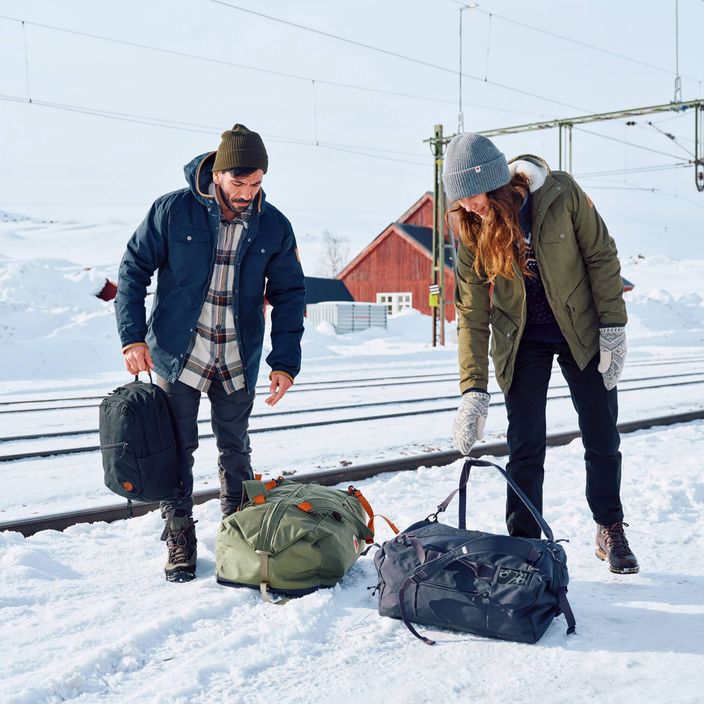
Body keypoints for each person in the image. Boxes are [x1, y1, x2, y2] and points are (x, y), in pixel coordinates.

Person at [115, 124, 306, 582]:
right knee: (176, 447)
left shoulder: (274, 224)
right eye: (239, 183)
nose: (247, 193)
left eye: (256, 183)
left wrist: (285, 361)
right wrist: (132, 337)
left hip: (237, 355)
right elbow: (133, 270)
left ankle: (237, 534)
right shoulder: (173, 211)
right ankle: (179, 533)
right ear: (217, 175)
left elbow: (290, 293)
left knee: (235, 447)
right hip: (180, 351)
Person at [444, 132, 639, 575]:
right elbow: (471, 310)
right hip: (522, 339)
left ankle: (610, 527)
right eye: (460, 201)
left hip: (582, 330)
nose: (469, 207)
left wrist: (613, 326)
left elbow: (602, 257)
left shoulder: (560, 194)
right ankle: (524, 543)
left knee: (601, 433)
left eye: (473, 197)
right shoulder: (471, 228)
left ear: (496, 183)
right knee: (525, 443)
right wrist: (472, 389)